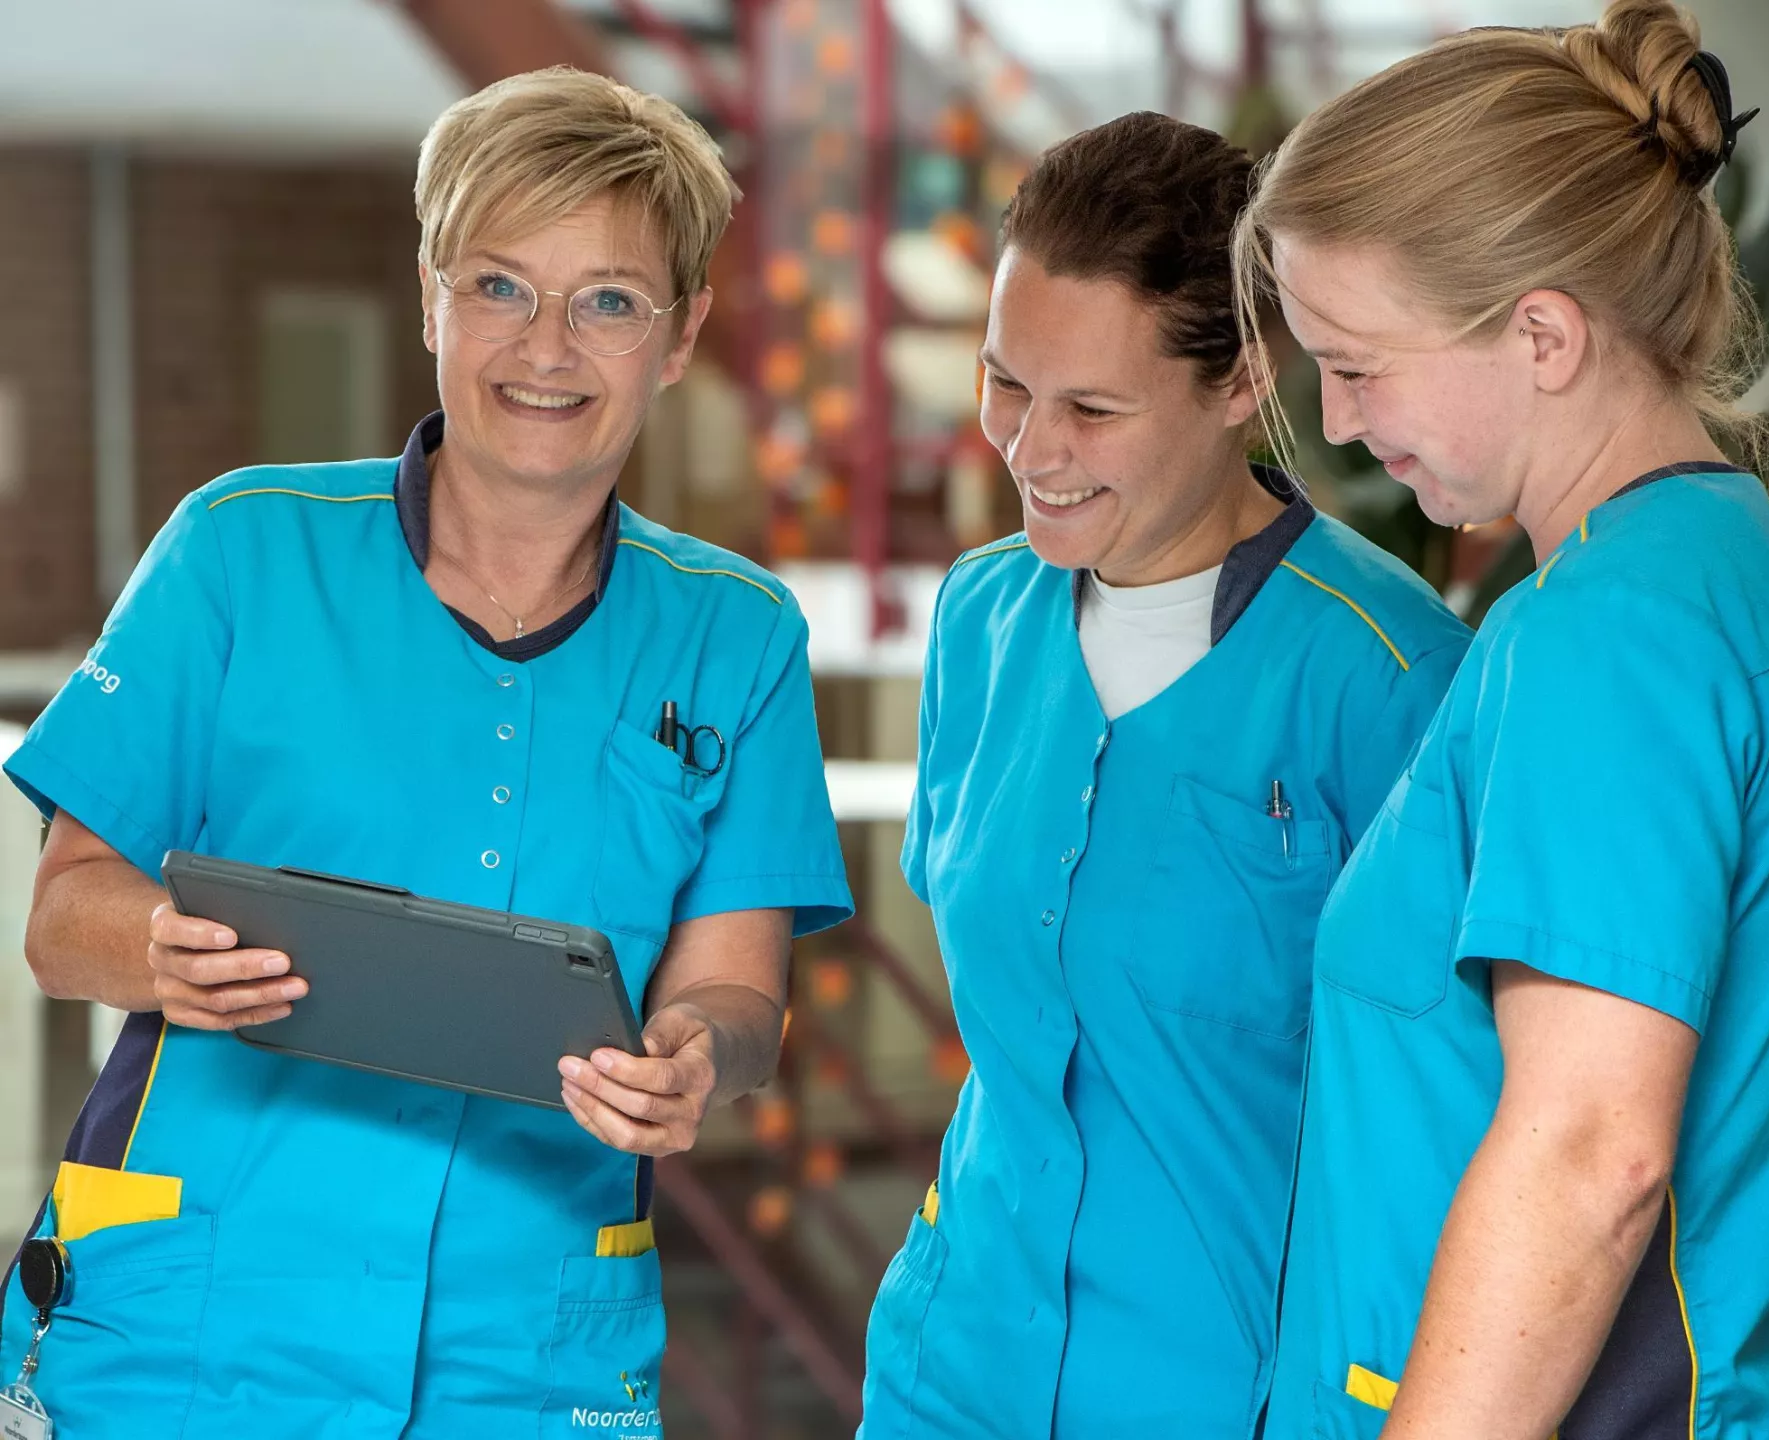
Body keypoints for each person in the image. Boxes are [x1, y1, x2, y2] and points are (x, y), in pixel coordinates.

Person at [0, 68, 851, 1435]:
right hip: (192, 1331)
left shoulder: (735, 637)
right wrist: (160, 948)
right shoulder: (240, 550)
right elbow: (61, 921)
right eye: (500, 286)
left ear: (682, 334)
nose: (546, 347)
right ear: (429, 297)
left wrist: (694, 1052)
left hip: (531, 1356)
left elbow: (737, 995)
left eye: (610, 302)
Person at [1232, 4, 1769, 1437]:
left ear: (1541, 334)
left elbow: (1591, 1156)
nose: (1334, 422)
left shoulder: (1610, 636)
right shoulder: (1702, 574)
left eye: (1359, 363)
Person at [859, 112, 1471, 1439]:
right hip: (948, 1374)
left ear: (1244, 378)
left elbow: (1442, 1126)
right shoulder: (981, 618)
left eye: (1092, 409)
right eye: (1006, 382)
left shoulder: (1392, 683)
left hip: (1226, 1396)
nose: (1030, 450)